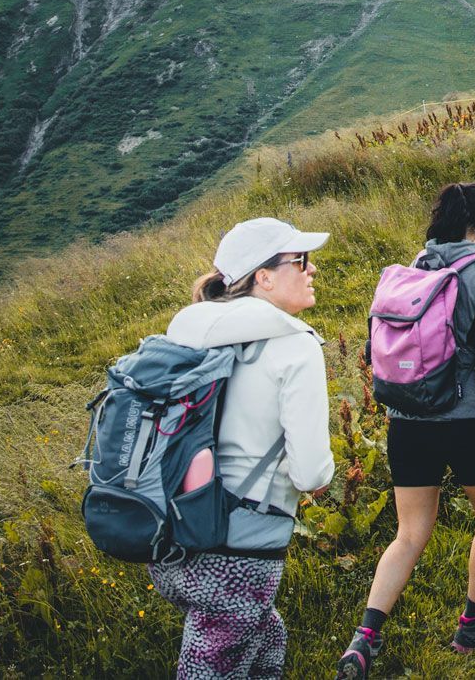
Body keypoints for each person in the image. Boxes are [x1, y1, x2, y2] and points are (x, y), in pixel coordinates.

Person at [340, 186, 475, 677]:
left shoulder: (416, 266)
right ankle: (474, 622)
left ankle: (364, 637)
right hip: (467, 421)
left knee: (409, 533)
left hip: (408, 421)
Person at [147, 218, 334, 680]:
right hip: (238, 556)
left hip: (170, 538)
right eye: (300, 261)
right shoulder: (296, 347)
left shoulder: (187, 332)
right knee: (211, 666)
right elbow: (312, 474)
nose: (312, 270)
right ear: (263, 277)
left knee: (267, 636)